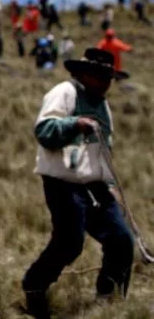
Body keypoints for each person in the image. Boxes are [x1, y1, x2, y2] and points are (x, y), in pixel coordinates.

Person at [22, 48, 133, 319]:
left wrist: (110, 183)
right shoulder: (64, 93)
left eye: (109, 77)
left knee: (121, 240)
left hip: (96, 185)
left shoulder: (102, 104)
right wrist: (74, 124)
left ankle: (108, 299)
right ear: (84, 74)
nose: (107, 82)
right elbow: (45, 131)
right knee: (70, 241)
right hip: (63, 182)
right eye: (101, 76)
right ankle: (34, 288)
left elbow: (104, 148)